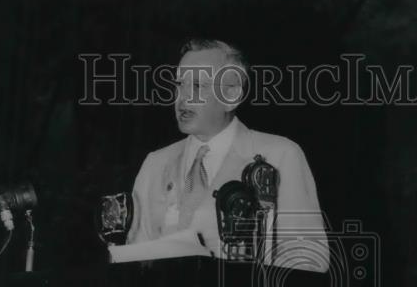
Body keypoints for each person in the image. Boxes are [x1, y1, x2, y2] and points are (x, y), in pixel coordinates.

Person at [113, 38, 329, 271]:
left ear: (232, 96)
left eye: (197, 86)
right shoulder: (155, 163)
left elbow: (310, 261)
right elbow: (133, 264)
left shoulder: (281, 156)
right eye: (179, 84)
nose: (182, 98)